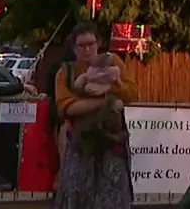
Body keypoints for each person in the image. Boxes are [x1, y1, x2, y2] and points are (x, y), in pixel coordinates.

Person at [55, 24, 140, 209]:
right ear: (74, 48)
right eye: (81, 46)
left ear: (98, 43)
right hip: (81, 143)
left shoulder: (114, 61)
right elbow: (66, 106)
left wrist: (112, 87)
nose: (87, 50)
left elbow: (132, 93)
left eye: (91, 44)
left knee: (113, 194)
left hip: (111, 142)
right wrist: (106, 102)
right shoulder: (66, 72)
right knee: (77, 192)